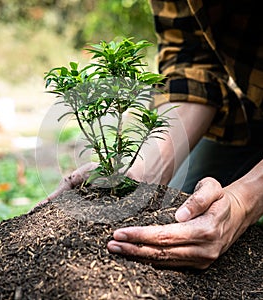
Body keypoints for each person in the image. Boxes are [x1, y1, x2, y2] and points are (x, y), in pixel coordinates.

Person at [35, 0, 263, 269]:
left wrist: (242, 202)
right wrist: (143, 171)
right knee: (175, 207)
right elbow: (193, 64)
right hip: (248, 115)